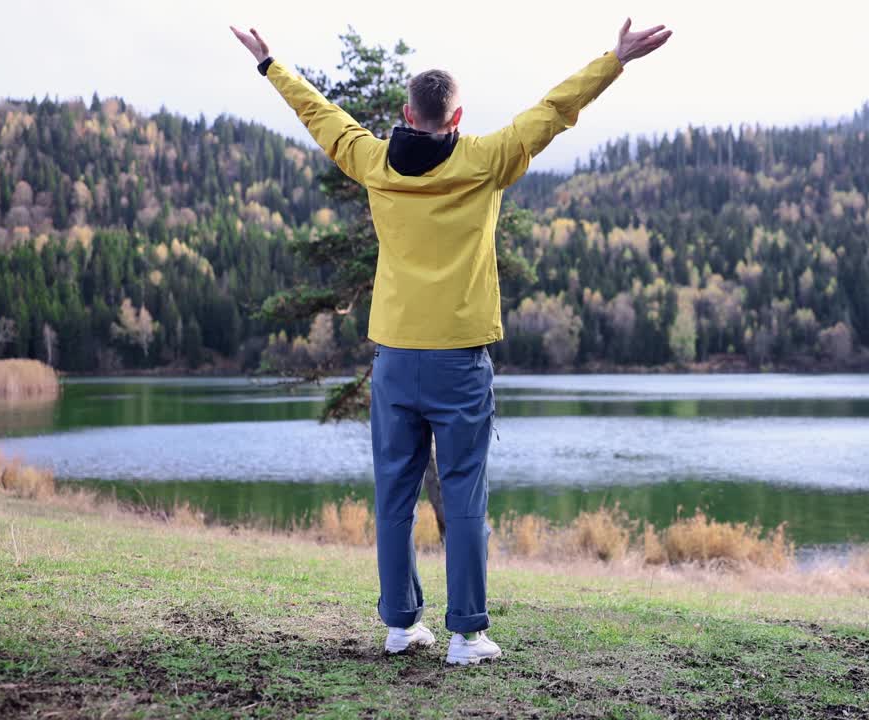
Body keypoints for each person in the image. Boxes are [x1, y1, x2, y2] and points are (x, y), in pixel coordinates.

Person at [232, 19, 672, 666]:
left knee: (394, 496)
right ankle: (466, 634)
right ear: (456, 115)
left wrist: (271, 64)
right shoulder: (484, 159)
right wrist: (615, 59)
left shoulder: (374, 160)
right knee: (463, 493)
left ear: (408, 113)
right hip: (460, 362)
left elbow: (321, 115)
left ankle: (399, 625)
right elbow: (554, 110)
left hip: (395, 359)